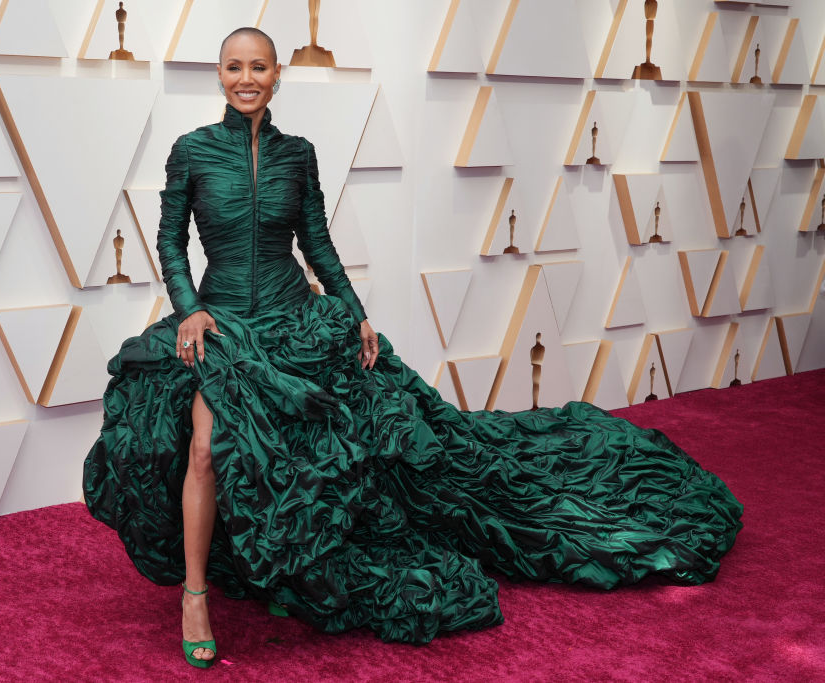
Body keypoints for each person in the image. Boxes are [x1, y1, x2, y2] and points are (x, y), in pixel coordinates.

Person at [83, 27, 743, 669]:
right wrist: (190, 310)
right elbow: (169, 240)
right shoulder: (192, 151)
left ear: (277, 75)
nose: (246, 78)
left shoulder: (298, 153)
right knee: (206, 448)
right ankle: (195, 596)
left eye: (259, 67)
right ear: (219, 75)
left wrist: (356, 314)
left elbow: (317, 244)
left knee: (304, 461)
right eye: (235, 67)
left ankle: (284, 575)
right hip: (222, 326)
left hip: (297, 322)